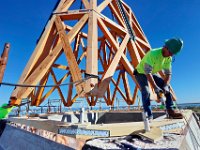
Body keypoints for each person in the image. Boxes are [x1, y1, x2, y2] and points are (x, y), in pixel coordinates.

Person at [134, 38, 183, 119]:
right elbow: (147, 72)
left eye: (173, 54)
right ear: (165, 47)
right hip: (140, 72)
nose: (171, 55)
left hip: (151, 72)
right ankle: (148, 115)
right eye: (170, 52)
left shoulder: (168, 58)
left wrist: (165, 86)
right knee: (146, 91)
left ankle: (171, 110)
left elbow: (168, 74)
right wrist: (156, 88)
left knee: (167, 87)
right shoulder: (153, 54)